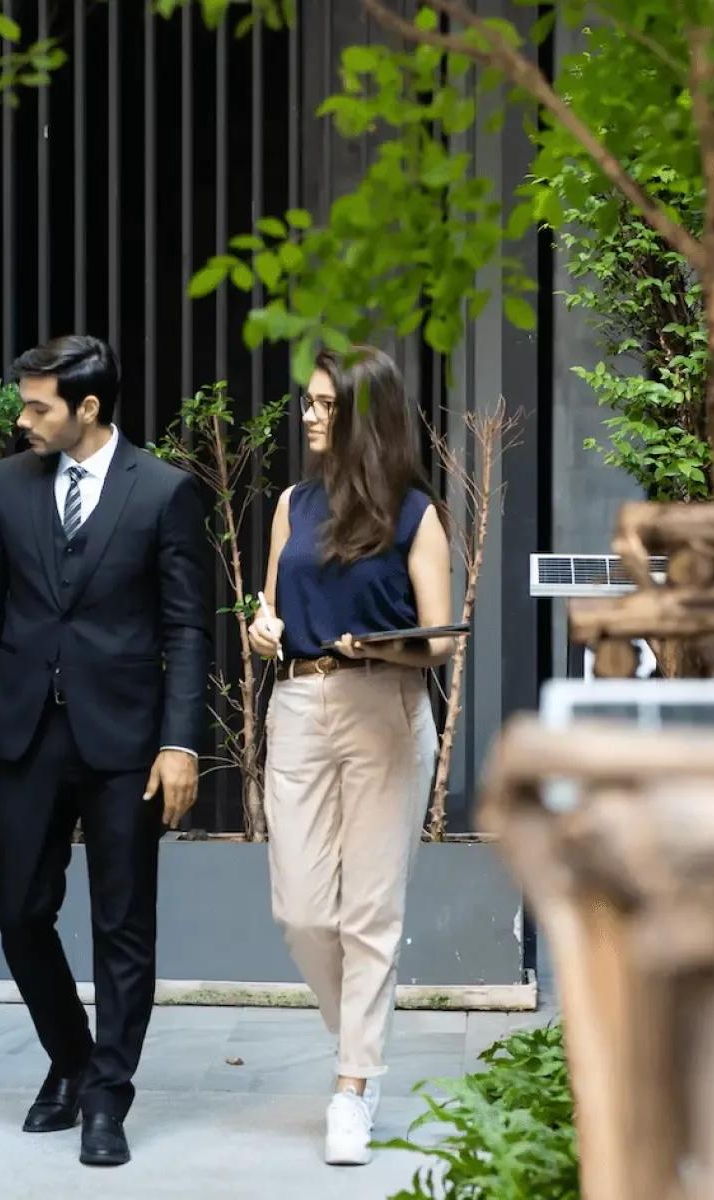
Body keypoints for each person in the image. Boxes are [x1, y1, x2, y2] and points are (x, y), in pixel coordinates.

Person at [0, 334, 210, 1168]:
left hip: (127, 738)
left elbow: (188, 628)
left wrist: (179, 743)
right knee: (19, 910)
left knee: (122, 923)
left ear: (87, 409)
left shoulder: (164, 492)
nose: (22, 419)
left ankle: (105, 1097)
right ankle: (70, 1053)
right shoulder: (7, 486)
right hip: (24, 733)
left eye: (37, 406)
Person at [246, 345, 452, 1166]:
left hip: (385, 703)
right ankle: (358, 1045)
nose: (310, 414)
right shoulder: (293, 504)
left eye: (326, 404)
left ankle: (352, 1088)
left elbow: (437, 639)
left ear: (368, 414)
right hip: (296, 700)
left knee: (370, 911)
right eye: (309, 402)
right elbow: (268, 608)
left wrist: (389, 649)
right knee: (300, 912)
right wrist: (261, 631)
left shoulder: (413, 514)